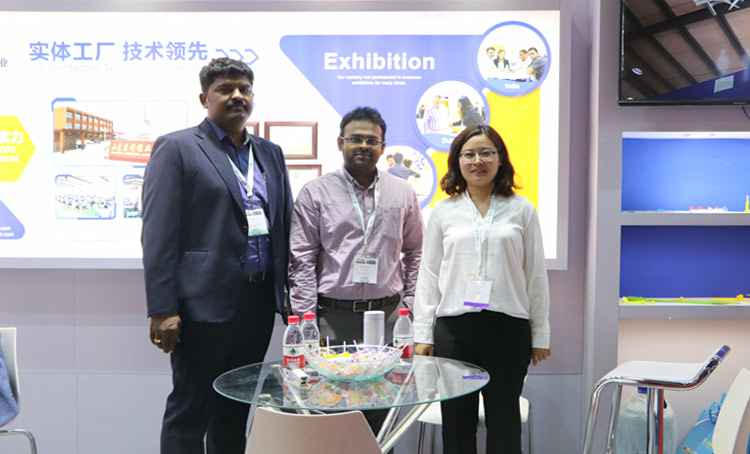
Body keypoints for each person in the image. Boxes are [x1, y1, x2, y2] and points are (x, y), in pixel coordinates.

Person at [141, 57, 293, 454]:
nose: (237, 96)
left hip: (257, 305)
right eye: (226, 89)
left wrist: (287, 299)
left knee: (234, 411)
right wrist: (162, 308)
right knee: (190, 411)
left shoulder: (270, 153)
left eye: (244, 89)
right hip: (201, 306)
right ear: (204, 98)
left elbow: (282, 225)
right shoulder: (177, 148)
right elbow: (158, 234)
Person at [413, 124, 551, 454]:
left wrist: (540, 334)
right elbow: (429, 275)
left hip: (508, 330)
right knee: (457, 423)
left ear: (500, 159)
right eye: (470, 154)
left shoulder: (522, 209)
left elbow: (535, 275)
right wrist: (423, 334)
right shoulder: (443, 211)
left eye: (487, 153)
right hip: (455, 331)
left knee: (504, 423)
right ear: (457, 161)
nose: (478, 161)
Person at [288, 106, 423, 437]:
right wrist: (306, 320)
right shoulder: (315, 192)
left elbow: (415, 251)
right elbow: (301, 258)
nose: (363, 145)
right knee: (330, 412)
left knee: (382, 413)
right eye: (355, 139)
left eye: (371, 140)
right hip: (332, 318)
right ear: (340, 143)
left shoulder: (402, 192)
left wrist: (409, 304)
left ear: (383, 146)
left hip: (389, 318)